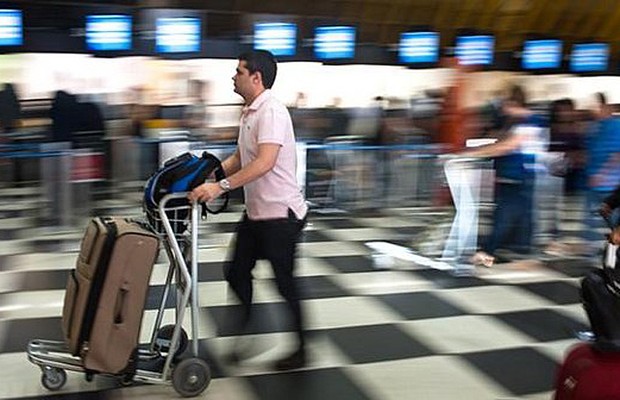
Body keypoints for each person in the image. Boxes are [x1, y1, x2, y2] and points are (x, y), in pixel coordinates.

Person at [188, 50, 308, 370]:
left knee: (285, 282)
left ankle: (302, 347)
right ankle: (247, 327)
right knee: (236, 270)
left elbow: (264, 162)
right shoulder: (250, 112)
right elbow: (242, 158)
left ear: (256, 77)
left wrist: (220, 188)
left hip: (280, 215)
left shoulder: (271, 111)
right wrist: (211, 174)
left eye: (238, 71)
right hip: (257, 213)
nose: (233, 76)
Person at [460, 85, 544, 267]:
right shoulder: (514, 122)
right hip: (511, 177)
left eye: (505, 104)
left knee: (504, 217)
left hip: (519, 177)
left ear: (514, 103)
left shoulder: (530, 122)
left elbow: (509, 146)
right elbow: (501, 141)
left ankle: (488, 252)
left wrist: (472, 154)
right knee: (519, 215)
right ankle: (521, 248)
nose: (502, 109)